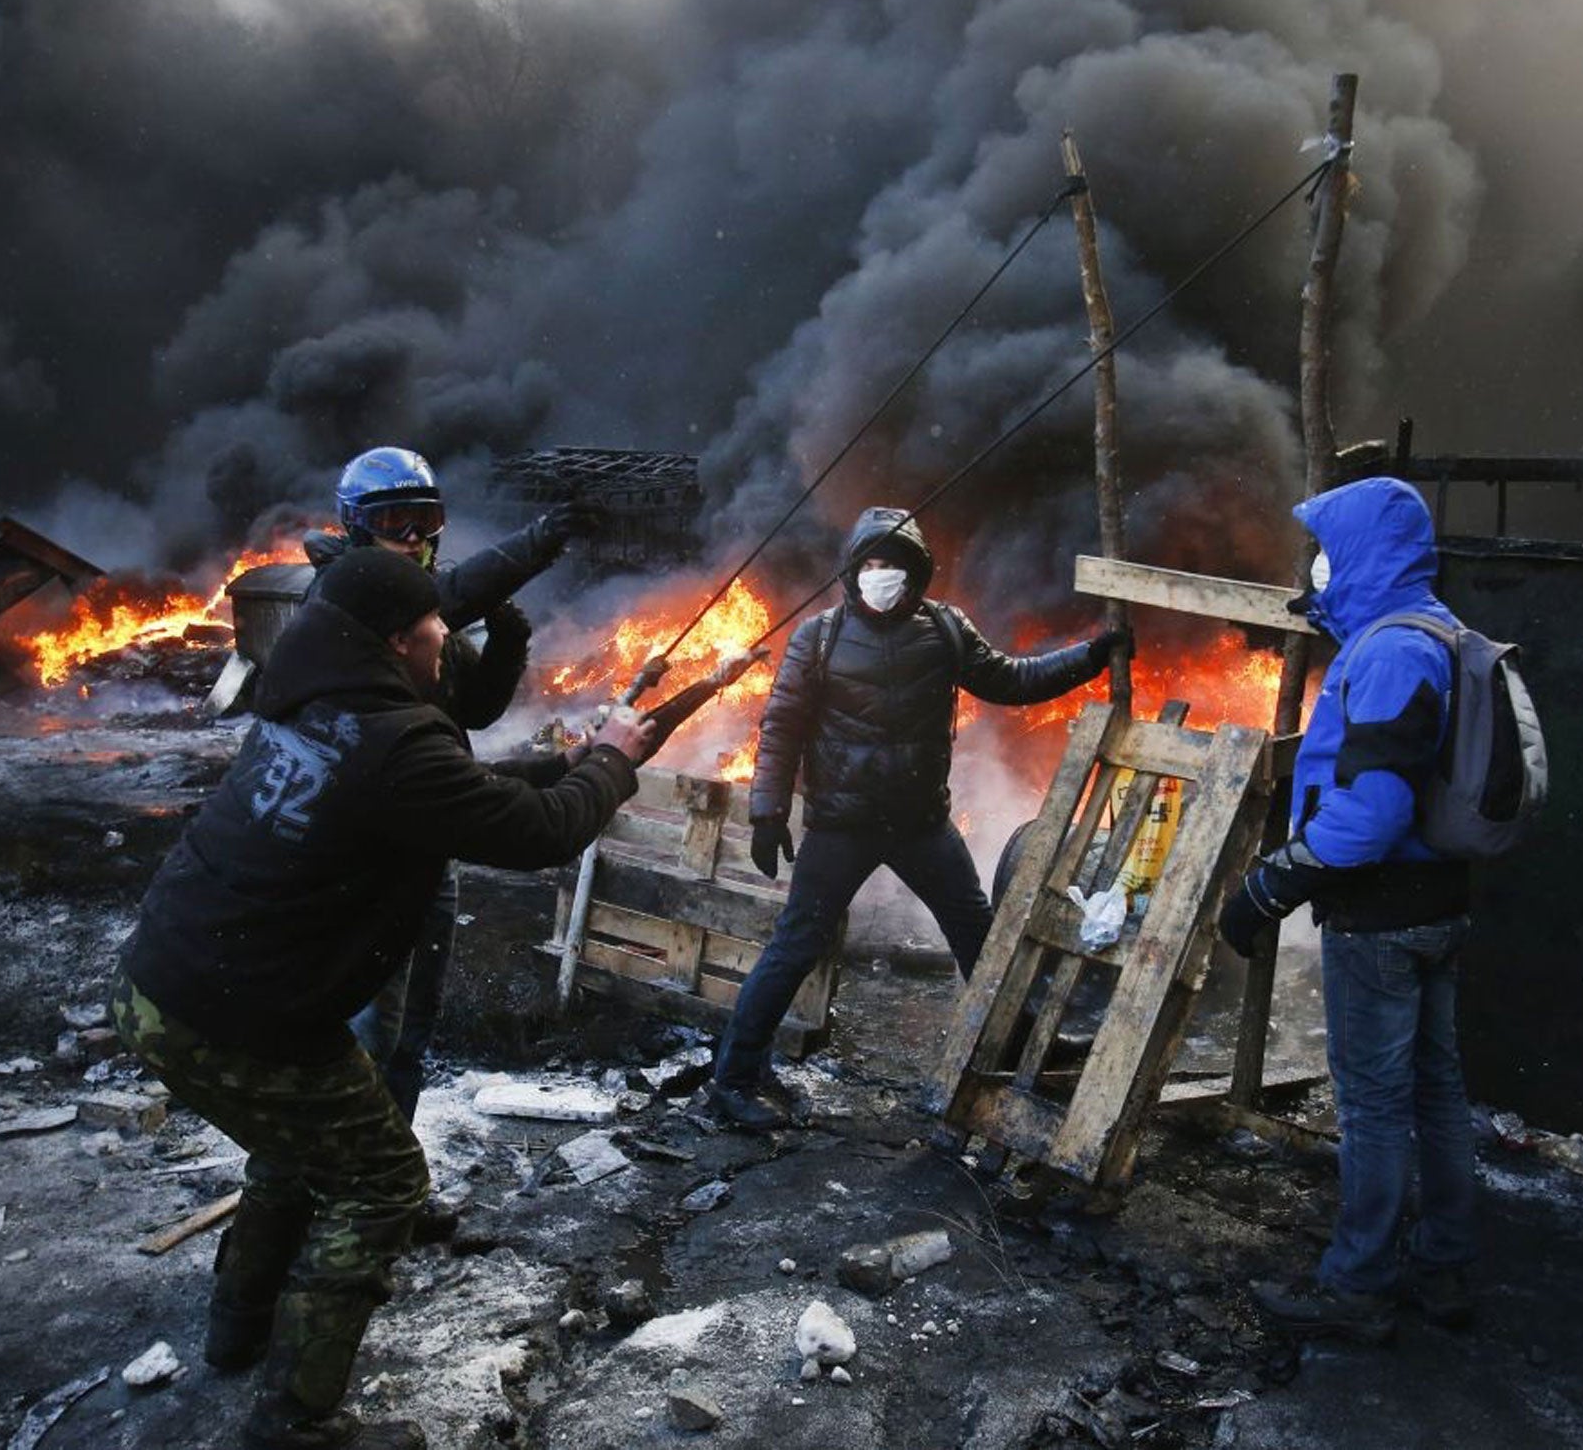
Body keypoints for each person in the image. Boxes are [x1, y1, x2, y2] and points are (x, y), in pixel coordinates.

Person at [113, 547, 655, 1450]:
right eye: (440, 627)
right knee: (381, 1184)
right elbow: (542, 835)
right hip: (247, 1016)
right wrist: (612, 763)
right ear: (402, 640)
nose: (450, 639)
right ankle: (293, 1421)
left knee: (293, 1152)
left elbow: (460, 797)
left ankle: (238, 1333)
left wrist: (571, 761)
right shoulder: (394, 739)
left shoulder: (319, 700)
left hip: (160, 989)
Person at [708, 506, 1130, 1130]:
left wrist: (1088, 658)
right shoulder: (817, 637)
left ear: (916, 572)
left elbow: (1012, 681)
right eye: (871, 564)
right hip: (841, 827)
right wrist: (767, 812)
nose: (882, 576)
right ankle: (735, 1080)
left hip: (922, 825)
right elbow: (782, 727)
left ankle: (1016, 1049)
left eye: (893, 565)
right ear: (853, 572)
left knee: (978, 936)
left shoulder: (945, 628)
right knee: (795, 946)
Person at [306, 448, 595, 1237]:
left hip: (424, 856)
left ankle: (389, 1191)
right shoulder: (340, 597)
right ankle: (345, 1208)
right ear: (355, 528)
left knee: (408, 1039)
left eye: (426, 522)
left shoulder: (422, 607)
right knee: (363, 1041)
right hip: (361, 865)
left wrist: (505, 643)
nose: (413, 537)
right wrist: (537, 544)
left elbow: (473, 710)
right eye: (395, 523)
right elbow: (450, 593)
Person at [1217, 476, 1478, 1345]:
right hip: (1437, 903)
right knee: (1436, 1094)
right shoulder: (1428, 628)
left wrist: (1272, 884)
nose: (1319, 565)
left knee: (1372, 1105)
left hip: (1381, 915)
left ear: (1364, 553)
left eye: (1330, 550)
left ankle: (1359, 1285)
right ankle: (1444, 1267)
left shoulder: (1391, 653)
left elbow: (1372, 813)